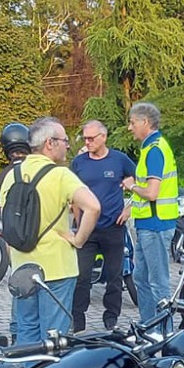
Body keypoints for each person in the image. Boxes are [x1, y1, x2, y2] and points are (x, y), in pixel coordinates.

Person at [1, 117, 99, 342]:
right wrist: (79, 240)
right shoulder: (60, 175)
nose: (67, 146)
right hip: (56, 268)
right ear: (49, 143)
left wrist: (13, 257)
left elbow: (7, 222)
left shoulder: (12, 175)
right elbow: (93, 207)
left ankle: (26, 365)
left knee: (26, 331)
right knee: (54, 337)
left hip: (23, 267)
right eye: (64, 141)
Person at [69, 119, 135, 330]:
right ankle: (78, 319)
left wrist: (129, 208)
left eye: (91, 138)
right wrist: (79, 221)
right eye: (85, 138)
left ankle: (111, 317)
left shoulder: (119, 160)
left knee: (115, 276)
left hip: (113, 227)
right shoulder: (79, 163)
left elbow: (140, 182)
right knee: (82, 276)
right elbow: (72, 194)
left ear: (103, 137)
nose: (87, 142)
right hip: (87, 229)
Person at [125, 101, 177, 330]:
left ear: (145, 122)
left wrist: (131, 186)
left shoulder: (155, 150)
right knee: (141, 278)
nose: (130, 128)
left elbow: (152, 193)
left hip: (156, 225)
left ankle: (164, 331)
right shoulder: (151, 148)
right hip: (148, 224)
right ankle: (148, 327)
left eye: (132, 122)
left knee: (157, 283)